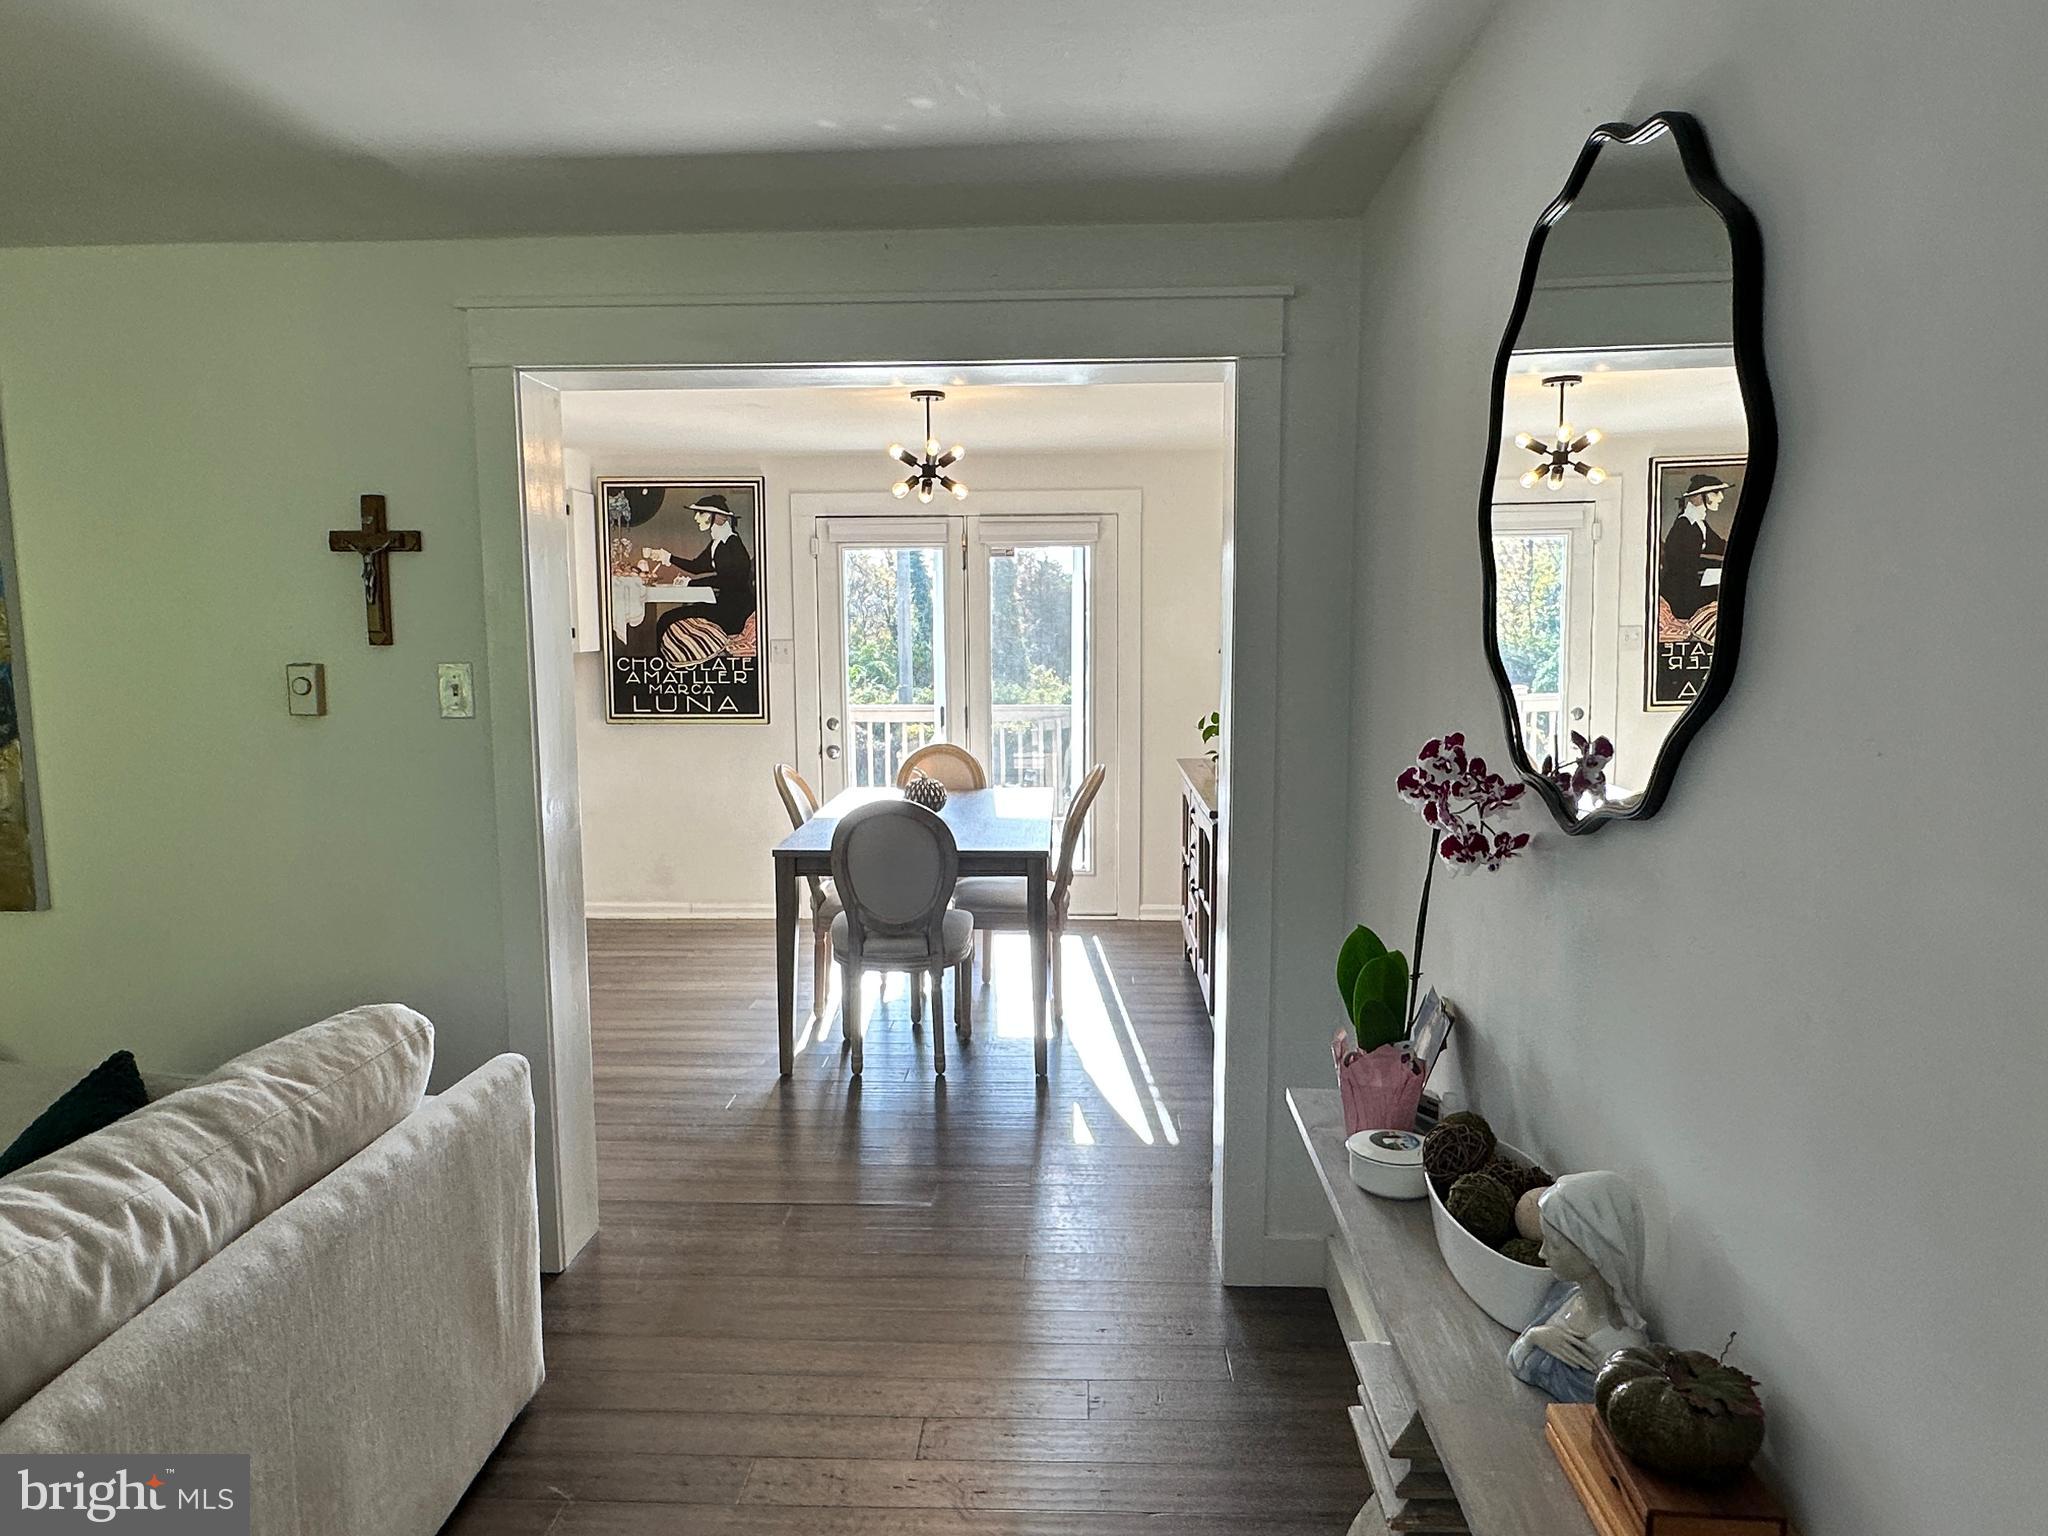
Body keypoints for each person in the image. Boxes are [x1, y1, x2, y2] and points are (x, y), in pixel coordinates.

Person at [1507, 1171, 1651, 1403]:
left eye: (1554, 1245)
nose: (1542, 1253)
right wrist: (1535, 1337)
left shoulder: (1622, 1350)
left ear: (1593, 1251)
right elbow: (1515, 1362)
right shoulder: (1563, 1295)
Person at [646, 493, 756, 641]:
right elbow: (696, 566)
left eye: (701, 513)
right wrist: (668, 557)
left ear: (716, 517)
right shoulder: (718, 543)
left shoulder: (730, 544)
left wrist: (690, 583)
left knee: (666, 620)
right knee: (667, 619)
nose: (696, 518)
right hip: (726, 605)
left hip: (734, 613)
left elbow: (725, 580)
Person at [1658, 474, 1730, 622]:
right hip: (1681, 592)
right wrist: (1722, 566)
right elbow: (1687, 563)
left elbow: (1720, 546)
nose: (1721, 497)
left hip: (1692, 583)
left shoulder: (1700, 523)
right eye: (1716, 493)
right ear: (1699, 497)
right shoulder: (1685, 526)